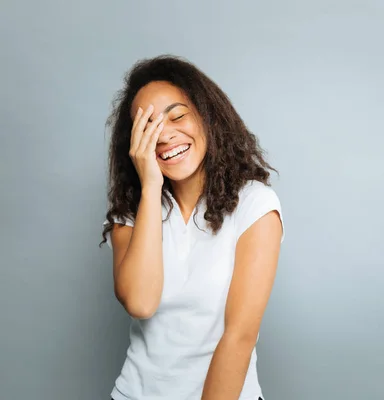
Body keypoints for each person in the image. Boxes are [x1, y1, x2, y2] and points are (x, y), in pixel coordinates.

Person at [101, 55, 284, 400]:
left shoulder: (255, 205)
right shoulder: (131, 211)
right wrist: (151, 187)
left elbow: (239, 336)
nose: (165, 134)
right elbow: (141, 302)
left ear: (207, 117)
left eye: (177, 116)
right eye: (148, 127)